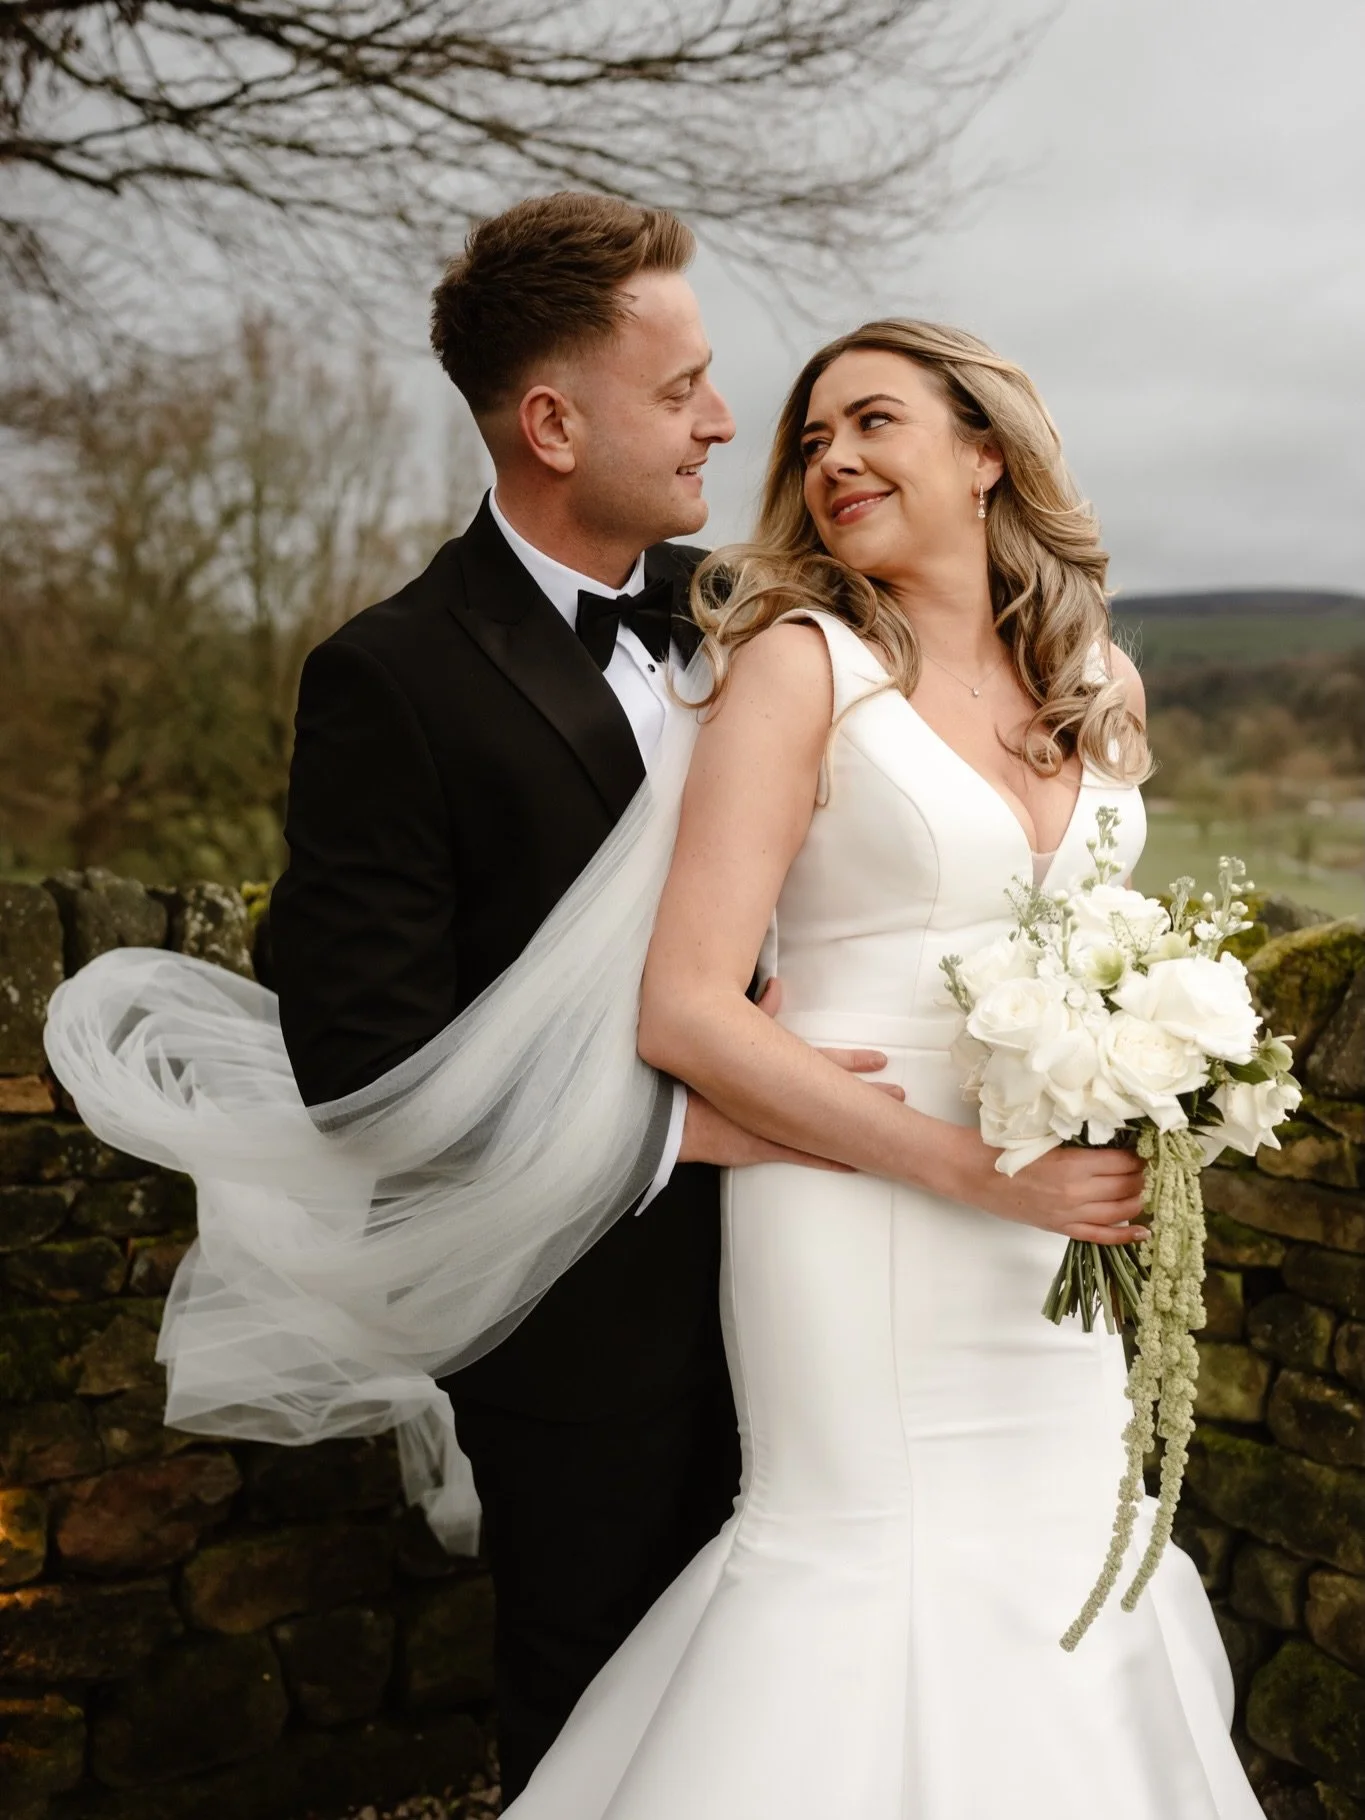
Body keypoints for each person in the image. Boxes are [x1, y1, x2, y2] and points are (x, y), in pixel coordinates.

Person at [497, 320, 1264, 1818]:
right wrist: (969, 1169)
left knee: (1069, 1553)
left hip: (1054, 1237)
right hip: (856, 1213)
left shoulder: (1099, 682)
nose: (831, 460)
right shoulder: (800, 667)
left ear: (986, 453)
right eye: (811, 441)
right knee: (862, 1560)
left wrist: (1155, 1080)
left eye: (872, 423)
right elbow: (685, 1009)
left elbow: (1105, 954)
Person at [265, 192, 899, 1801]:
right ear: (552, 424)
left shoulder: (753, 614)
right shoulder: (390, 680)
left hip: (828, 1282)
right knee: (601, 1717)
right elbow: (362, 1072)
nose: (725, 420)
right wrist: (694, 1133)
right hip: (586, 1339)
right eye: (680, 388)